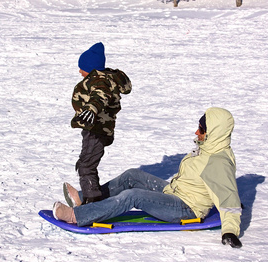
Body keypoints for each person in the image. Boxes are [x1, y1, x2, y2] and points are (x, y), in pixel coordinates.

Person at [56, 107, 243, 248]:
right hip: (175, 192)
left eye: (201, 129)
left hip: (186, 208)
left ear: (214, 133)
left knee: (133, 195)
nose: (197, 132)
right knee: (132, 176)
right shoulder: (210, 148)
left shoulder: (218, 162)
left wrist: (230, 230)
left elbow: (228, 198)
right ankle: (85, 199)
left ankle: (77, 216)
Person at [67, 42, 132, 205]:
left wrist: (92, 108)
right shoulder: (105, 77)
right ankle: (91, 194)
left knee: (86, 165)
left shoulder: (98, 80)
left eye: (81, 68)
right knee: (87, 161)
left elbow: (100, 95)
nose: (79, 71)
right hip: (98, 127)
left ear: (90, 68)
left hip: (96, 128)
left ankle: (93, 203)